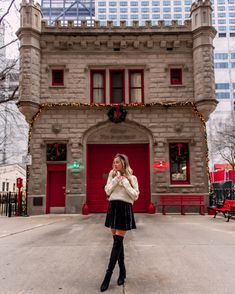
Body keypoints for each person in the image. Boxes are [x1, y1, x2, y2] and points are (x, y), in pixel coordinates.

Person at [100, 153, 139, 292]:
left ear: (123, 163)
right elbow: (107, 191)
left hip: (124, 208)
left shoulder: (132, 177)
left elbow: (135, 195)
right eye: (113, 162)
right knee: (118, 243)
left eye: (117, 162)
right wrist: (116, 180)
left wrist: (125, 183)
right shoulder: (112, 176)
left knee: (117, 243)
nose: (114, 164)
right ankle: (122, 272)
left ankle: (107, 276)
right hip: (113, 208)